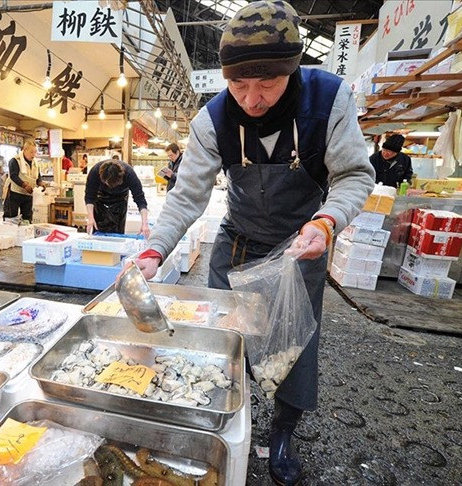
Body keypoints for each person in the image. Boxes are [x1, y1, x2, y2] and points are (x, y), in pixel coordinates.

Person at [132, 2, 375, 484]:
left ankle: (283, 429)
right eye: (238, 84)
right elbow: (187, 197)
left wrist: (326, 223)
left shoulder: (329, 100)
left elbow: (354, 176)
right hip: (238, 243)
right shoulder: (213, 119)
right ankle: (224, 420)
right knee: (229, 343)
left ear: (293, 69)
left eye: (266, 83)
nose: (251, 99)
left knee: (293, 345)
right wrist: (154, 249)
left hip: (299, 246)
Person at [85, 159, 150, 237]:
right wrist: (90, 218)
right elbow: (89, 197)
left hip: (121, 198)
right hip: (100, 197)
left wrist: (145, 224)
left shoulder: (129, 174)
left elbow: (140, 200)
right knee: (98, 228)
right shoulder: (95, 172)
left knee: (118, 229)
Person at [2, 139, 44, 221]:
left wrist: (40, 182)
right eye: (31, 152)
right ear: (25, 150)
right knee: (10, 217)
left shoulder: (35, 162)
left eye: (35, 152)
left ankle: (26, 232)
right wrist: (24, 185)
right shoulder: (15, 160)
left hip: (28, 194)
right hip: (14, 193)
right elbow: (13, 176)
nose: (33, 155)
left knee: (27, 217)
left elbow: (38, 175)